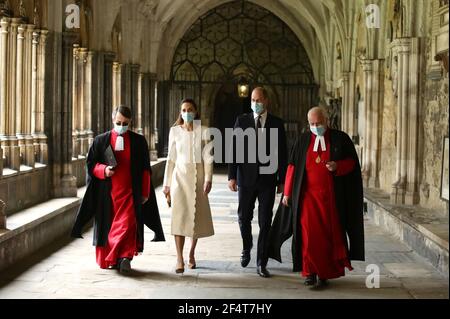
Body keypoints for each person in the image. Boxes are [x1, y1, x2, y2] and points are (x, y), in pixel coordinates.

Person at [268, 106, 365, 288]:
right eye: (312, 123)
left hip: (330, 200)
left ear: (326, 121)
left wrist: (338, 166)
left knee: (326, 239)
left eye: (318, 123)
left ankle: (323, 274)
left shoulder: (340, 139)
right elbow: (292, 167)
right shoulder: (303, 140)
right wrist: (287, 192)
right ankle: (309, 273)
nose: (315, 126)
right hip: (307, 199)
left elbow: (352, 163)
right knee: (307, 236)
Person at [71, 106, 165, 274]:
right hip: (107, 193)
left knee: (127, 224)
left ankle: (124, 257)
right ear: (113, 120)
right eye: (118, 122)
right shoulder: (100, 141)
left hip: (130, 192)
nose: (121, 126)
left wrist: (144, 192)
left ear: (130, 123)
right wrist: (104, 170)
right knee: (109, 225)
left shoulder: (139, 141)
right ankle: (114, 258)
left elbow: (145, 169)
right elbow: (90, 165)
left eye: (125, 123)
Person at [228, 87, 287, 278]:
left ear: (266, 101)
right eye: (253, 99)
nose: (256, 103)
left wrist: (282, 180)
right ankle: (247, 247)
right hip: (245, 177)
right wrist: (232, 176)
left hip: (268, 180)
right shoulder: (242, 120)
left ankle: (261, 262)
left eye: (259, 99)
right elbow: (234, 149)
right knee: (244, 218)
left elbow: (282, 153)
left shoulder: (277, 123)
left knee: (265, 222)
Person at [163, 98, 214, 274]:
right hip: (179, 178)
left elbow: (208, 157)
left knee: (195, 219)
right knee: (179, 218)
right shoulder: (174, 131)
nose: (186, 113)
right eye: (184, 110)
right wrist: (166, 184)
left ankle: (191, 253)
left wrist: (208, 179)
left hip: (198, 179)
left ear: (196, 111)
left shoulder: (205, 131)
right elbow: (170, 159)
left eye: (190, 109)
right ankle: (179, 258)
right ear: (180, 112)